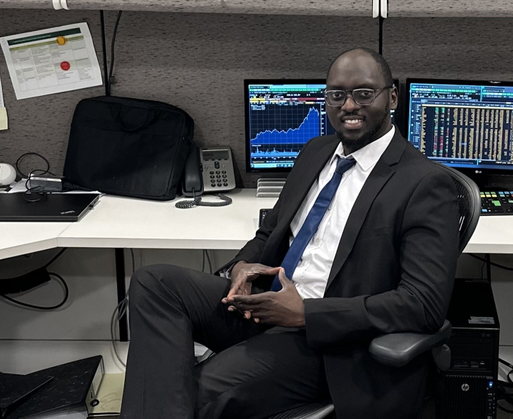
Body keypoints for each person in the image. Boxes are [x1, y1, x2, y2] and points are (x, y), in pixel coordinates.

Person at [120, 47, 461, 419]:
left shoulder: (424, 183)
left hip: (330, 342)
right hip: (269, 305)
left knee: (194, 393)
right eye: (337, 94)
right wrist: (244, 264)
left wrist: (307, 314)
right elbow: (271, 232)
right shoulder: (317, 151)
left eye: (364, 93)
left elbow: (423, 305)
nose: (349, 105)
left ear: (392, 96)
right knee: (154, 283)